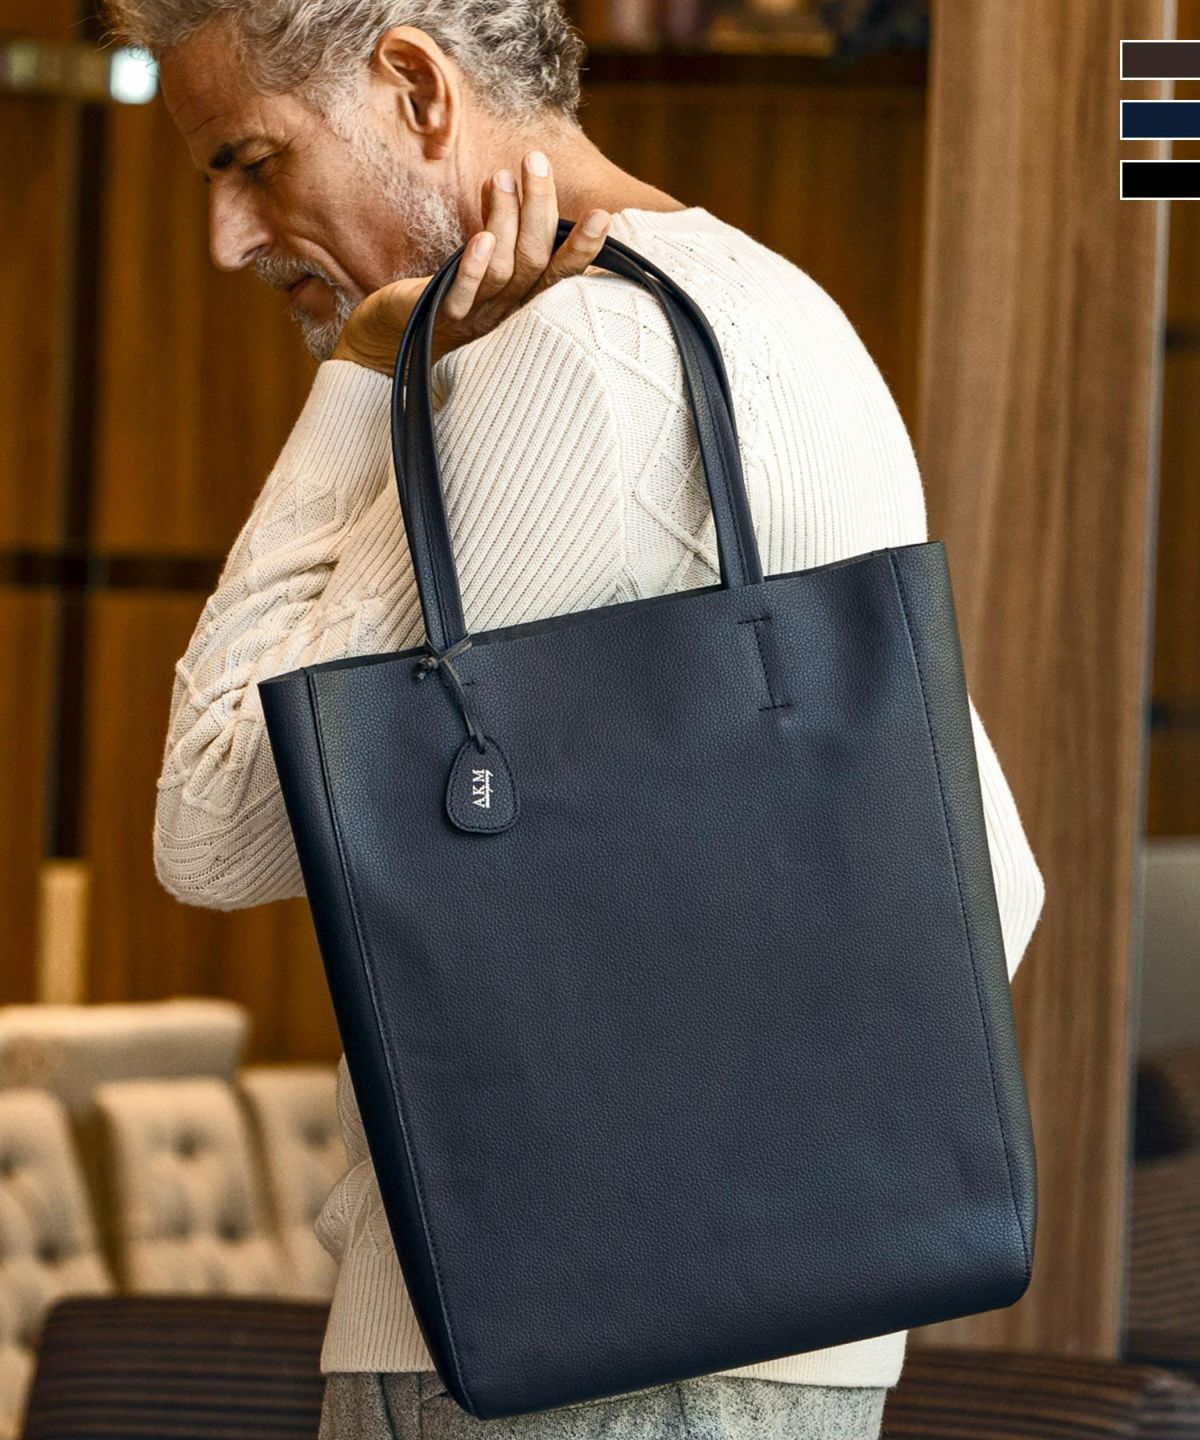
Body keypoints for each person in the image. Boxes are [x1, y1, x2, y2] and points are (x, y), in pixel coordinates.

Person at [100, 0, 1047, 1434]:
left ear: (416, 87)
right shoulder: (779, 309)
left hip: (577, 1346)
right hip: (783, 1335)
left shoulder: (575, 359)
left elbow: (213, 820)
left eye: (253, 161)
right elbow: (991, 876)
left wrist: (360, 385)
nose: (229, 238)